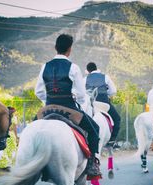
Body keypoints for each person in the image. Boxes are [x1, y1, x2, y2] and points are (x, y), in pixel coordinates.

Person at [35, 34, 101, 177]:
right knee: (95, 129)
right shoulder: (73, 67)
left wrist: (49, 101)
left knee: (31, 129)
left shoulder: (44, 66)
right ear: (69, 49)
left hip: (47, 108)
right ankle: (92, 165)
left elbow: (39, 91)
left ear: (55, 48)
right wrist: (74, 97)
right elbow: (82, 95)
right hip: (69, 109)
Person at [85, 62, 121, 144]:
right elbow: (113, 91)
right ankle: (112, 140)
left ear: (88, 71)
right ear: (96, 68)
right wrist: (105, 92)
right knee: (117, 118)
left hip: (92, 105)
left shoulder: (85, 79)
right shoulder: (105, 77)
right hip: (103, 104)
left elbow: (83, 93)